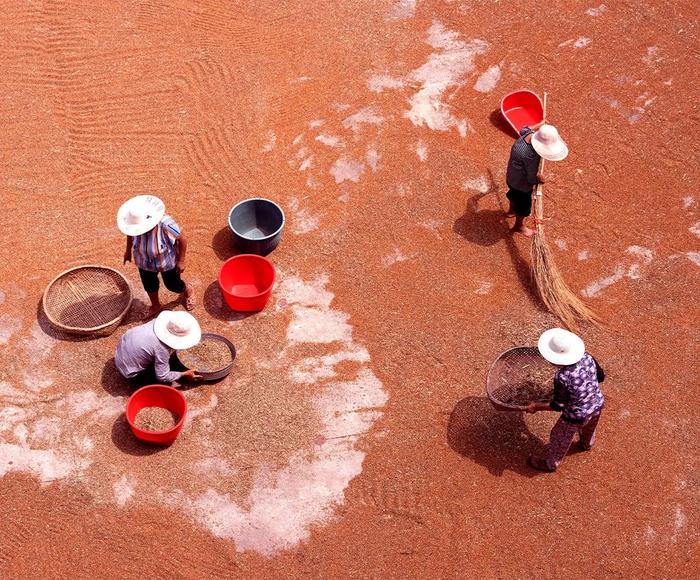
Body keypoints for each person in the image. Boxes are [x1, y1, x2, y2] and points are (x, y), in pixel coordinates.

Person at [526, 328, 605, 472]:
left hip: (576, 416)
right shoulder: (588, 357)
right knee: (589, 428)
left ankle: (551, 464)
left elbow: (558, 405)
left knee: (559, 436)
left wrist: (536, 406)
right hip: (597, 404)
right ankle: (587, 444)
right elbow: (601, 377)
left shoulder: (562, 377)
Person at [118, 195, 196, 319]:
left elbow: (182, 239)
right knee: (149, 284)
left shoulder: (165, 223)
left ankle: (187, 290)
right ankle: (155, 306)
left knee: (172, 284)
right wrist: (127, 251)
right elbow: (130, 234)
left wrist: (181, 261)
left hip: (166, 261)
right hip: (144, 261)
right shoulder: (133, 224)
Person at [505, 122, 568, 237]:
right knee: (523, 206)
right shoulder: (530, 155)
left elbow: (523, 129)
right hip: (522, 184)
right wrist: (538, 179)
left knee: (513, 194)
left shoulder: (528, 134)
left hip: (512, 177)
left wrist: (540, 124)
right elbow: (530, 177)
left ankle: (511, 211)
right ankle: (519, 226)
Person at [114, 310, 202, 385]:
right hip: (129, 371)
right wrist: (184, 374)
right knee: (165, 381)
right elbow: (162, 376)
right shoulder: (162, 349)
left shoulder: (156, 322)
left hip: (121, 351)